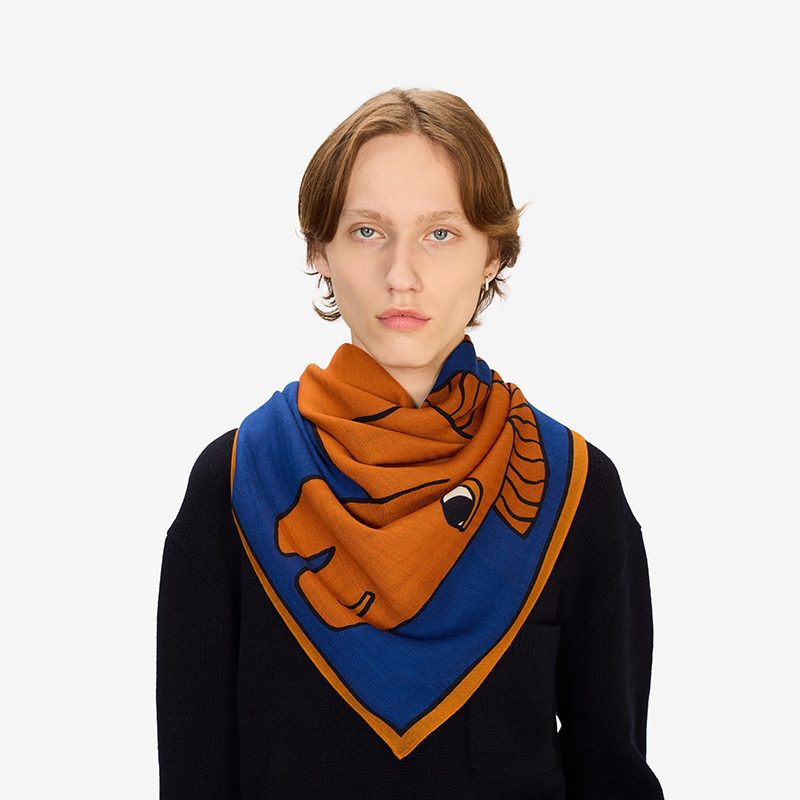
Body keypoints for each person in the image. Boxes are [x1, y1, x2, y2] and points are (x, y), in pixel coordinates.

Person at [157, 88, 664, 799]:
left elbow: (613, 777)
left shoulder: (572, 488)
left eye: (441, 234)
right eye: (367, 231)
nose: (402, 275)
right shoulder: (237, 482)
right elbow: (195, 778)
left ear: (492, 254)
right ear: (320, 250)